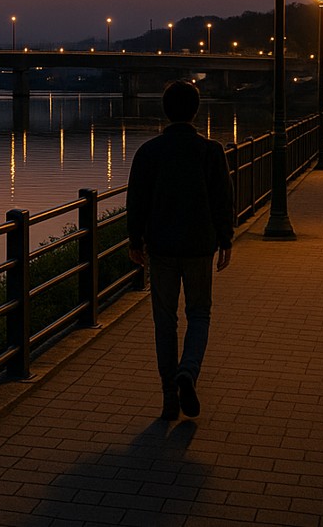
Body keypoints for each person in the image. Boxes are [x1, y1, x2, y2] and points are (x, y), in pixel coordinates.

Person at [127, 79, 234, 420]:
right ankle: (188, 371)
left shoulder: (148, 152)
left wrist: (134, 240)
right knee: (199, 314)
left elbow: (136, 201)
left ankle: (168, 395)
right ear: (195, 111)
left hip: (162, 247)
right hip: (200, 245)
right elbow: (223, 200)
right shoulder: (211, 151)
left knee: (165, 321)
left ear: (165, 110)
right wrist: (226, 239)